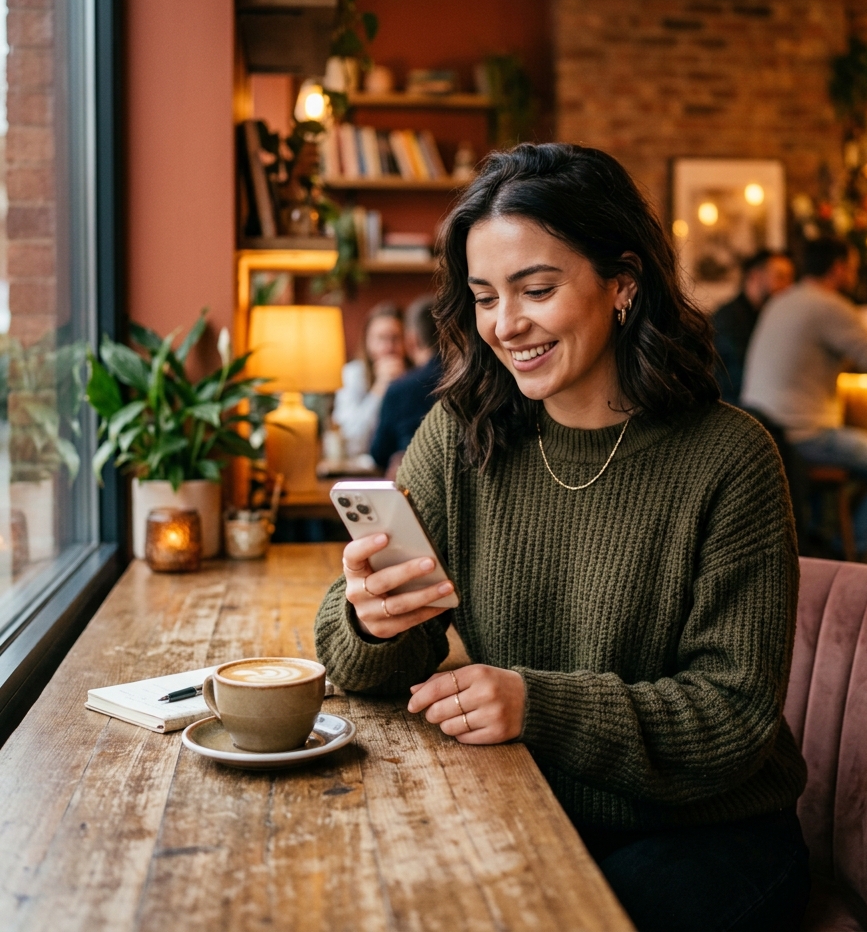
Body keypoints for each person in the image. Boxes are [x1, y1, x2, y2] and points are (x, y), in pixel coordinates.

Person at [316, 144, 810, 932]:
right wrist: (370, 619)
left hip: (704, 832)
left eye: (536, 289)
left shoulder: (730, 457)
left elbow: (734, 717)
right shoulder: (464, 434)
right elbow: (356, 669)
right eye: (484, 297)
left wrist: (536, 703)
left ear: (623, 283)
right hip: (529, 799)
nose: (506, 326)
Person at [742, 237, 867, 558]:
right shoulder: (831, 306)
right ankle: (842, 555)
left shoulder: (783, 300)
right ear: (838, 269)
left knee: (857, 480)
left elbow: (836, 350)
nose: (855, 274)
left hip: (768, 435)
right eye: (853, 267)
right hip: (804, 437)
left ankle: (824, 541)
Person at [369, 295, 443, 472]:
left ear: (411, 340)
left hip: (413, 485)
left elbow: (379, 454)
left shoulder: (399, 389)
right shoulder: (472, 380)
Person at [712, 250, 794, 404]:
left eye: (790, 279)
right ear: (755, 276)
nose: (788, 287)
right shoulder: (727, 319)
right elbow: (741, 375)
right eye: (780, 277)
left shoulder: (769, 316)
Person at [332, 303, 407, 463]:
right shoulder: (352, 374)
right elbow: (353, 440)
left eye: (395, 338)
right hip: (363, 469)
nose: (388, 347)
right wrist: (380, 387)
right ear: (367, 340)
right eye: (380, 338)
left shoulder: (416, 377)